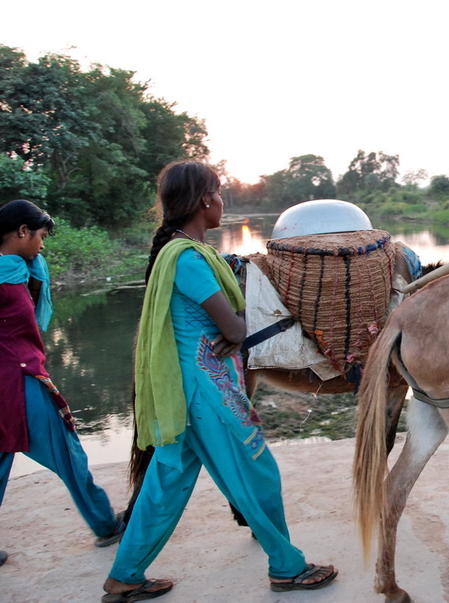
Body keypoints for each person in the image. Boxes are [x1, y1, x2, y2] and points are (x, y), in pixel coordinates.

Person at [102, 160, 337, 601]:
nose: (222, 200)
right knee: (257, 470)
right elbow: (233, 331)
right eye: (219, 192)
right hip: (206, 387)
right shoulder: (188, 257)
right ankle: (287, 567)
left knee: (167, 480)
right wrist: (242, 323)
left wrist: (232, 326)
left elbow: (228, 327)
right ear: (205, 199)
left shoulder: (182, 251)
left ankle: (125, 576)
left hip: (187, 385)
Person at [0, 200, 124, 568]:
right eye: (40, 235)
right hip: (19, 381)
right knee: (68, 453)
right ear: (22, 232)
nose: (43, 245)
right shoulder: (11, 276)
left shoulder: (16, 270)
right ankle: (105, 524)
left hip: (8, 378)